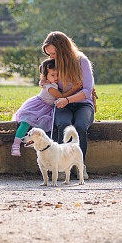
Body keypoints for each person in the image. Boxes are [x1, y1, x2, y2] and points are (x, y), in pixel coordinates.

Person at [41, 32, 95, 170]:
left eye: (54, 53)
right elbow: (48, 81)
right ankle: (60, 166)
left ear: (63, 50)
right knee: (64, 125)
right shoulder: (53, 64)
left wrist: (67, 99)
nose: (51, 57)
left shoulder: (81, 61)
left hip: (83, 104)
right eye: (49, 55)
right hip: (62, 104)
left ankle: (80, 166)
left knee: (80, 126)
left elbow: (87, 90)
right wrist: (44, 80)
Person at [10, 58, 65, 156]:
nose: (56, 77)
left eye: (57, 74)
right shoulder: (50, 87)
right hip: (38, 106)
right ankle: (16, 145)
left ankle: (33, 142)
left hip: (48, 109)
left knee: (42, 126)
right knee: (26, 121)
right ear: (45, 76)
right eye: (53, 75)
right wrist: (76, 90)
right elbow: (62, 97)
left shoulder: (52, 83)